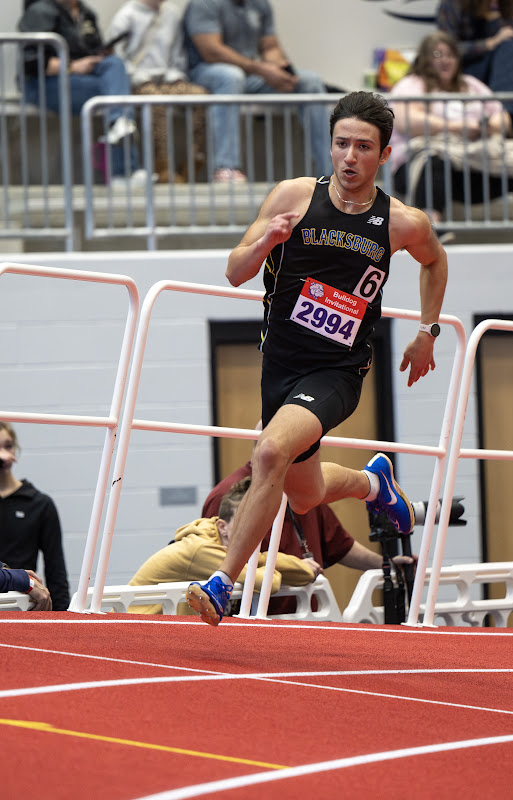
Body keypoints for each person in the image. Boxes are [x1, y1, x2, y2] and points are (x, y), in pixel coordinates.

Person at [186, 90, 448, 626]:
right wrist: (266, 243)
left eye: (363, 147)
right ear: (329, 146)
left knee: (267, 454)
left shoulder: (401, 222)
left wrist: (428, 331)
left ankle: (221, 585)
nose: (350, 157)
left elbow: (434, 261)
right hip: (278, 365)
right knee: (304, 496)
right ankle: (376, 484)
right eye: (341, 144)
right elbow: (235, 271)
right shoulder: (295, 196)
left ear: (385, 154)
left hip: (337, 371)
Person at [202, 460, 416, 615]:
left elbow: (339, 544)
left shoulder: (302, 489)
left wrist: (385, 564)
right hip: (257, 616)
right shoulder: (228, 497)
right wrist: (297, 567)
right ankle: (372, 482)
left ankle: (373, 482)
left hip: (305, 614)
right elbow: (219, 557)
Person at [389, 32, 513, 224]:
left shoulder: (471, 85)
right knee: (433, 160)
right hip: (420, 162)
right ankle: (431, 230)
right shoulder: (412, 85)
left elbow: (503, 118)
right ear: (424, 58)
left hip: (473, 159)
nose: (445, 60)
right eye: (438, 55)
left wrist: (486, 126)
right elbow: (408, 121)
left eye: (450, 55)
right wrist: (457, 128)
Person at [182, 0, 332, 182]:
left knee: (310, 81)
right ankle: (226, 167)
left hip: (250, 74)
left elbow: (270, 47)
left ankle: (331, 171)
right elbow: (211, 51)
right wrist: (260, 69)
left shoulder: (260, 4)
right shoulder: (204, 3)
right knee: (231, 76)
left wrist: (279, 68)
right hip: (207, 71)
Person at [127, 476, 322, 615]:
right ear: (223, 526)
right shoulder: (200, 549)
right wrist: (268, 564)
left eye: (260, 520)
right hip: (130, 626)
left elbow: (306, 574)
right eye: (245, 520)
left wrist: (265, 563)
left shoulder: (224, 547)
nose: (254, 528)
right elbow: (268, 583)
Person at [18, 0, 152, 186]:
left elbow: (91, 49)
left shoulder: (86, 13)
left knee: (114, 65)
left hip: (82, 79)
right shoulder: (40, 11)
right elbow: (32, 63)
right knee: (115, 93)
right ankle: (123, 169)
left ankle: (120, 125)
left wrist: (101, 55)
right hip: (44, 84)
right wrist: (72, 66)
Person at [106, 0, 209, 183]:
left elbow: (178, 53)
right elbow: (117, 58)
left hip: (167, 79)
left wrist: (176, 74)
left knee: (201, 97)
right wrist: (137, 76)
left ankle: (192, 162)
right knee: (156, 102)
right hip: (137, 80)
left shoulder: (172, 15)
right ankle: (163, 166)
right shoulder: (127, 15)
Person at [436, 0, 513, 139]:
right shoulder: (452, 4)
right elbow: (447, 49)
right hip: (466, 70)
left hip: (501, 68)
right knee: (511, 50)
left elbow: (507, 38)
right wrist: (489, 43)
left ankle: (506, 120)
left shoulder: (510, 4)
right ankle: (505, 122)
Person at [0, 422, 70, 611]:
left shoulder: (39, 504)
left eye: (7, 446)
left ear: (15, 450)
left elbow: (56, 572)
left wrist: (62, 620)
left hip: (24, 606)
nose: (2, 454)